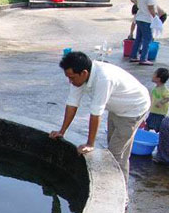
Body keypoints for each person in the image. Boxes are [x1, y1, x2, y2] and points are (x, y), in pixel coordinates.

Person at [49, 51, 150, 183]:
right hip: (117, 107)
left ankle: (121, 196)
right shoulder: (79, 78)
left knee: (116, 155)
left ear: (84, 73)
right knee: (113, 148)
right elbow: (72, 104)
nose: (70, 81)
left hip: (134, 108)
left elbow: (96, 113)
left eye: (72, 77)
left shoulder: (104, 78)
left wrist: (90, 144)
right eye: (68, 77)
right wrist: (62, 131)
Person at [130, 0, 158, 66]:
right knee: (147, 39)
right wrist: (155, 17)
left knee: (138, 38)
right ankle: (143, 59)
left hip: (139, 17)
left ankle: (134, 56)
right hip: (146, 18)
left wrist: (139, 5)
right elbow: (150, 7)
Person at [146, 68, 169, 132]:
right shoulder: (156, 87)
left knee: (155, 128)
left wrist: (161, 103)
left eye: (154, 74)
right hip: (153, 111)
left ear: (158, 79)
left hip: (159, 114)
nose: (152, 75)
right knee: (148, 125)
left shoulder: (164, 89)